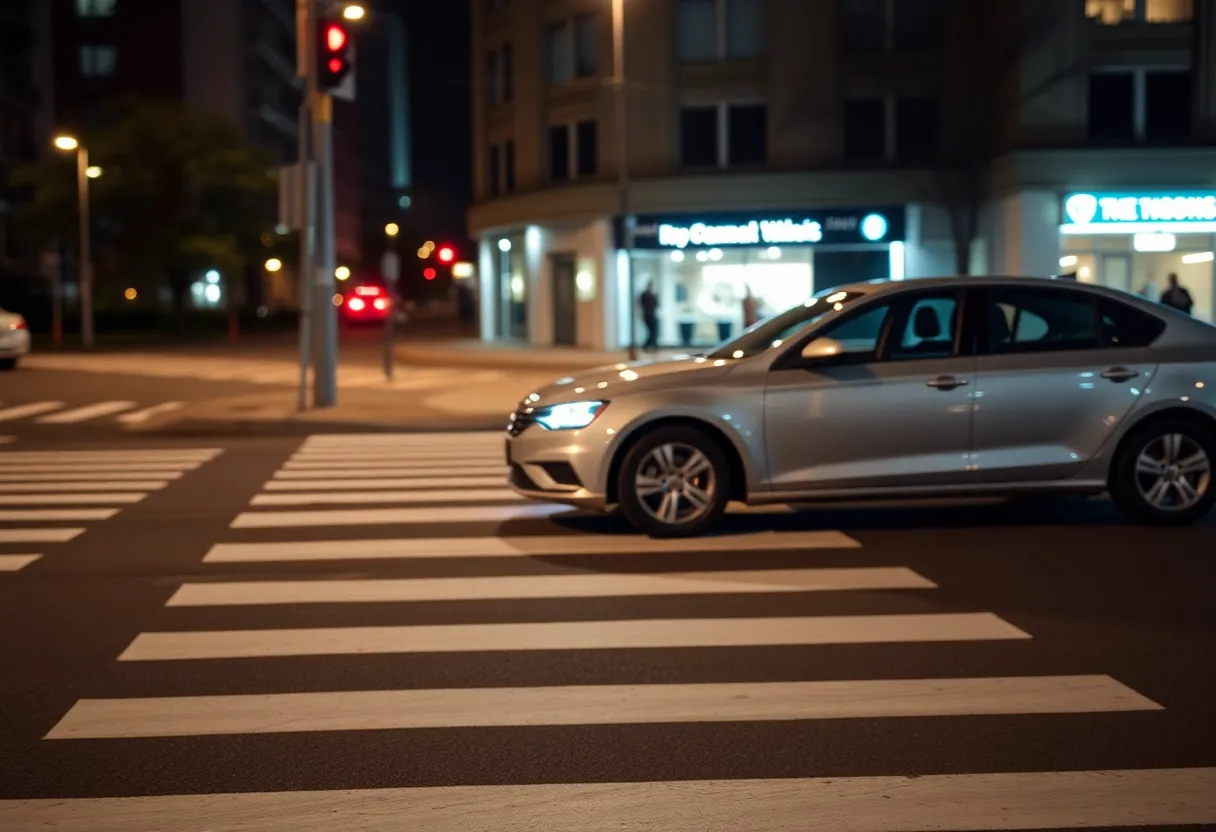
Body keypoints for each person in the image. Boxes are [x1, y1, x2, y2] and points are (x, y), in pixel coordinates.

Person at [639, 284, 659, 352]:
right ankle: (647, 346)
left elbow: (657, 304)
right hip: (648, 315)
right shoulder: (645, 295)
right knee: (652, 332)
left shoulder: (653, 295)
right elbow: (643, 304)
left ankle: (652, 346)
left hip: (652, 315)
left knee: (654, 332)